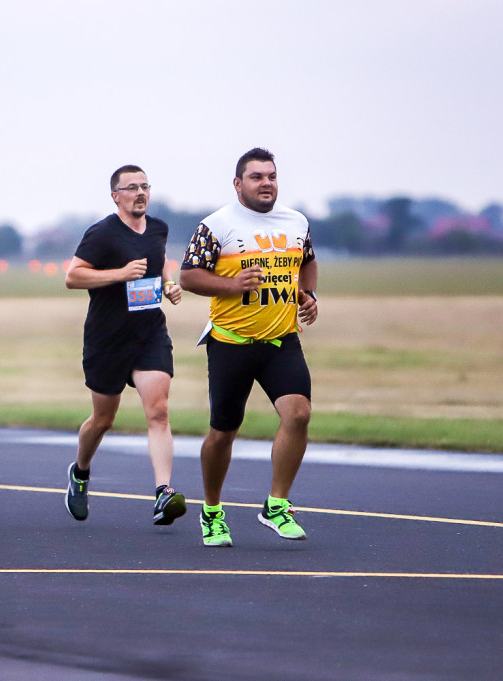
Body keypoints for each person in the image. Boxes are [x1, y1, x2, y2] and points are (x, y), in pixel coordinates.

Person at [179, 147, 319, 547]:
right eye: (257, 177)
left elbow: (307, 259)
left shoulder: (296, 222)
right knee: (223, 433)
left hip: (281, 341)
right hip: (230, 344)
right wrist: (231, 286)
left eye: (271, 176)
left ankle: (276, 506)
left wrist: (308, 294)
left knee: (299, 414)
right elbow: (188, 277)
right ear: (238, 184)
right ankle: (211, 512)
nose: (266, 183)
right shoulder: (217, 225)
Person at [63, 164, 186, 526]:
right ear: (115, 195)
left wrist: (168, 284)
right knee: (103, 419)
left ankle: (163, 493)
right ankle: (80, 472)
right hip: (107, 339)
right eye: (131, 187)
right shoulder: (101, 233)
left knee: (158, 412)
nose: (140, 193)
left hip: (149, 334)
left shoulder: (159, 229)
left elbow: (158, 264)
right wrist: (120, 274)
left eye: (145, 186)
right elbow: (73, 276)